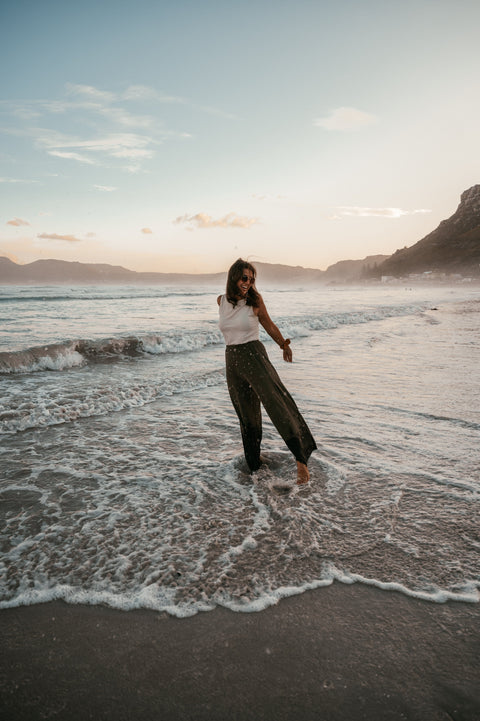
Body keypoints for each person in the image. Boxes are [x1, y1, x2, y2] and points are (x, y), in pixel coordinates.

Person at [217, 258, 317, 484]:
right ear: (234, 277)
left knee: (278, 405)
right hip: (231, 360)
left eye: (252, 279)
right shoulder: (221, 301)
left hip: (254, 356)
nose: (248, 283)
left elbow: (269, 325)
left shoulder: (255, 301)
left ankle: (301, 463)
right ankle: (254, 463)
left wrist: (284, 344)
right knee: (246, 415)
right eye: (245, 278)